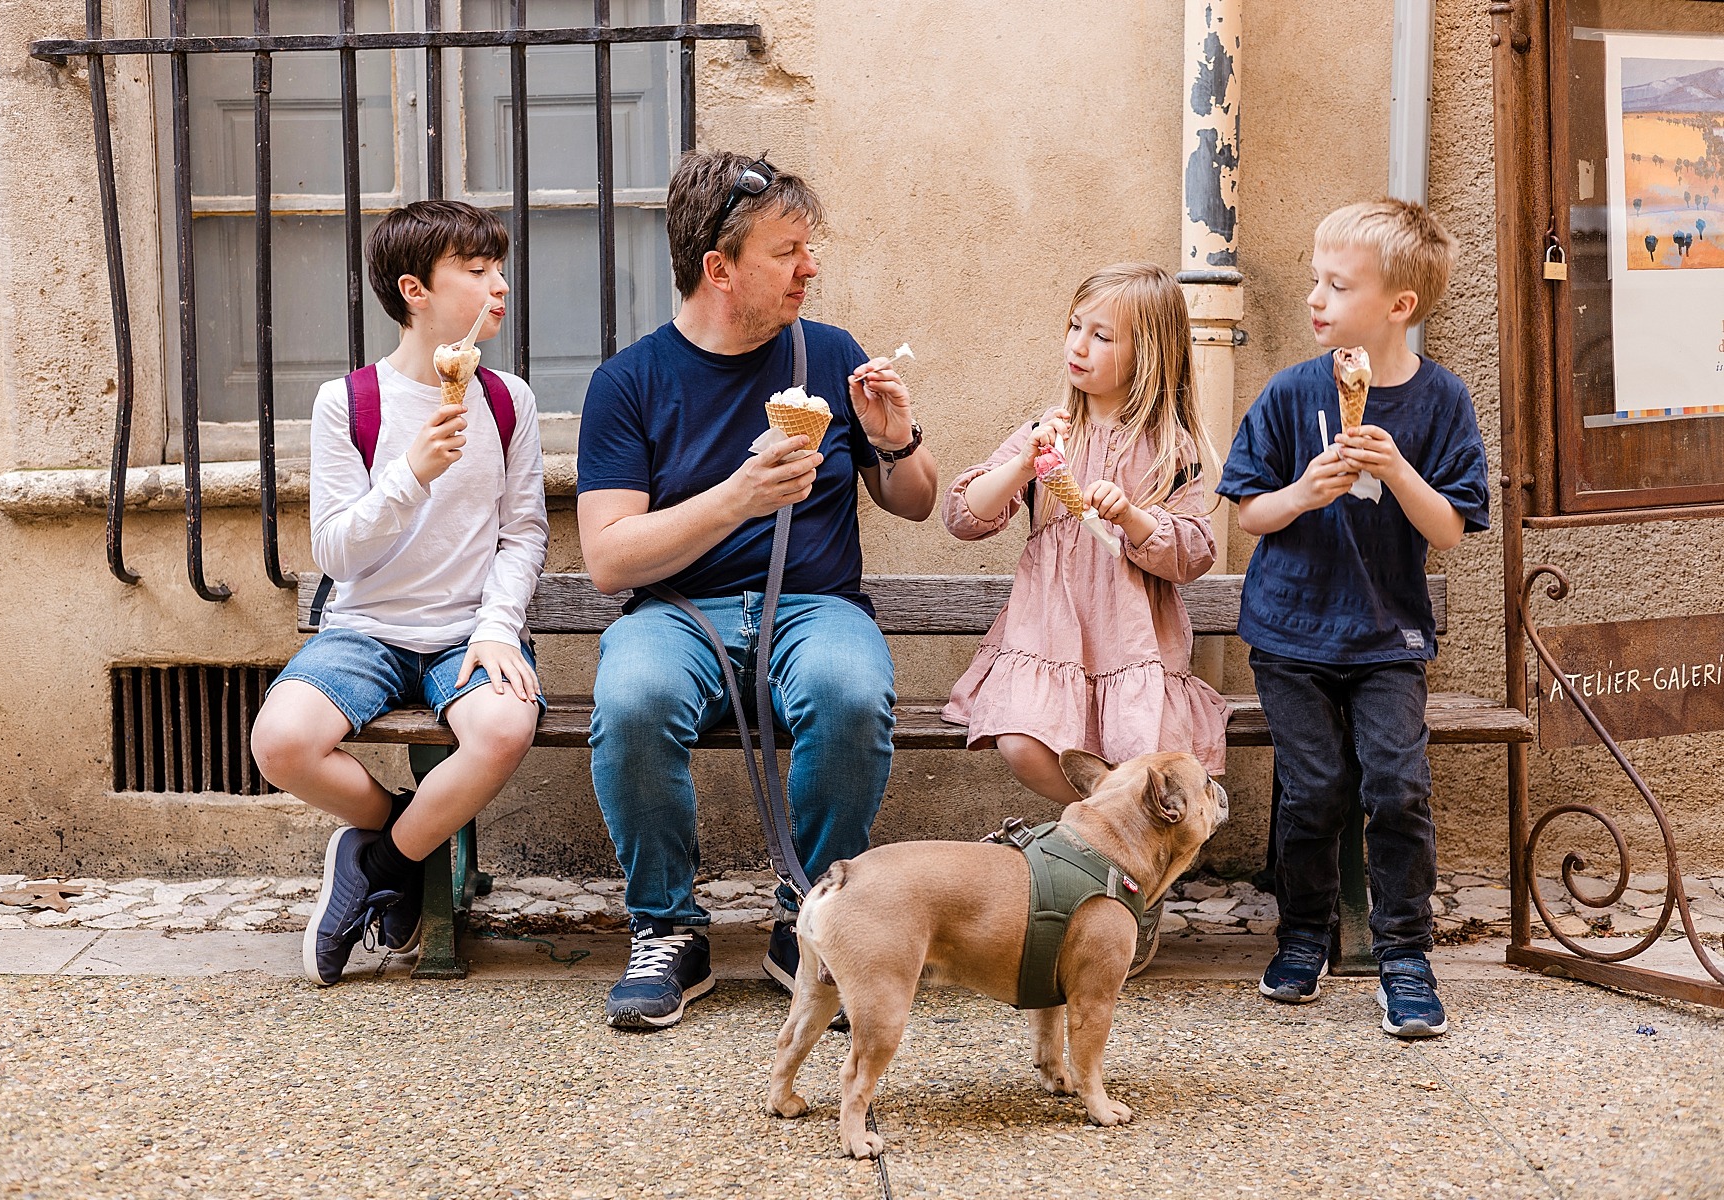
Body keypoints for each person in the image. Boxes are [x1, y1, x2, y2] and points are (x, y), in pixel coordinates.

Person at [577, 150, 939, 1029]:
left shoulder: (832, 355)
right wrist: (738, 496)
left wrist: (894, 441)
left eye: (808, 248)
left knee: (850, 691)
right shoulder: (629, 383)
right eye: (788, 251)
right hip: (676, 610)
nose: (809, 267)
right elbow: (611, 559)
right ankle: (666, 925)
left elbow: (917, 500)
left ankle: (811, 920)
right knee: (633, 698)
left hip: (816, 610)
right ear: (720, 268)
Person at [251, 200, 549, 988]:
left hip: (468, 631)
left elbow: (523, 534)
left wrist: (496, 627)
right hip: (368, 628)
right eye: (478, 272)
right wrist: (410, 476)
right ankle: (405, 850)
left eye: (500, 269)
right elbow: (336, 551)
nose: (500, 287)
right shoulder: (350, 403)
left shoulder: (508, 399)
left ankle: (378, 861)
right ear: (415, 290)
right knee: (279, 743)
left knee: (502, 731)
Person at [1216, 198, 1488, 1038]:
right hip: (1291, 631)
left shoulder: (1442, 401)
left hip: (1387, 639)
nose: (1315, 299)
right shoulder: (1294, 391)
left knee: (1397, 788)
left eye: (1337, 285)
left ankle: (1406, 952)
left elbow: (1449, 526)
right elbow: (1249, 513)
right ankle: (1305, 935)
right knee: (1314, 790)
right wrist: (1306, 491)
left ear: (1399, 305)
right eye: (1315, 281)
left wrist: (1397, 470)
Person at [940, 262, 1230, 970]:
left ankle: (1133, 889)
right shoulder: (1048, 430)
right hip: (1049, 639)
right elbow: (964, 516)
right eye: (1076, 327)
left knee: (1138, 759)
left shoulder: (1172, 449)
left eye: (1102, 335)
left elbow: (1194, 553)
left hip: (1130, 646)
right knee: (1022, 744)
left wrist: (1132, 516)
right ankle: (1099, 855)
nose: (1079, 344)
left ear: (1149, 355)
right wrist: (1025, 464)